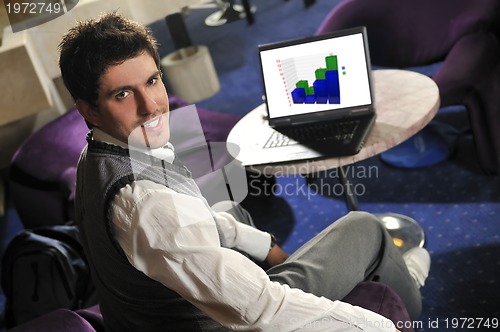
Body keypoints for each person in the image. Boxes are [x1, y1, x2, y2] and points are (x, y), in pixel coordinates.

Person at [58, 12, 430, 332]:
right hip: (213, 323)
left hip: (151, 315)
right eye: (122, 94)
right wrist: (380, 324)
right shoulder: (146, 203)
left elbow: (197, 223)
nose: (151, 106)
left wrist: (264, 245)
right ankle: (404, 286)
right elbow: (260, 310)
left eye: (152, 81)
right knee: (365, 228)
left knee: (235, 213)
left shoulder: (96, 155)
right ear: (88, 109)